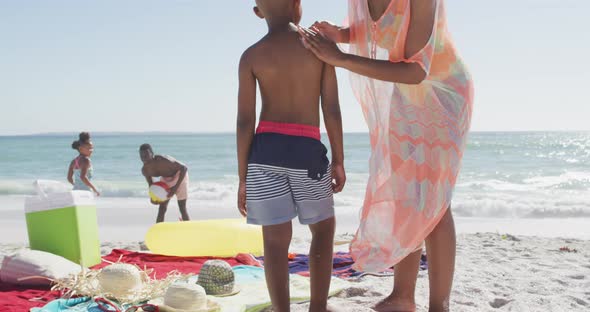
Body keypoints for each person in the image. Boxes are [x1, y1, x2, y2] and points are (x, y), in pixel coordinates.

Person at [298, 1, 474, 311]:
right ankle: (403, 296)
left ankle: (439, 305)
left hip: (441, 91)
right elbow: (381, 30)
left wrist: (340, 58)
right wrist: (341, 34)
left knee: (432, 198)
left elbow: (416, 70)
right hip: (406, 93)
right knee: (406, 194)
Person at [236, 1, 346, 311]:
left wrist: (243, 176)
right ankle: (318, 307)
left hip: (264, 153)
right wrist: (338, 158)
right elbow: (332, 108)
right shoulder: (318, 47)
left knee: (273, 241)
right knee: (323, 230)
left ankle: (281, 309)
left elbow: (245, 121)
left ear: (258, 12)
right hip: (306, 152)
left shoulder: (251, 56)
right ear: (298, 5)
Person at [139, 144, 190, 223]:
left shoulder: (162, 159)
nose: (144, 158)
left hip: (180, 175)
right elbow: (151, 185)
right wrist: (153, 198)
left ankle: (188, 230)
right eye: (141, 156)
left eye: (146, 155)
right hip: (165, 179)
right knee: (162, 208)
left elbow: (184, 168)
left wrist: (175, 188)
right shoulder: (145, 170)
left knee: (182, 207)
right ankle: (158, 232)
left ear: (152, 153)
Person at [67, 132, 100, 196]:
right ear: (81, 149)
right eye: (88, 148)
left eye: (92, 148)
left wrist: (76, 186)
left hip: (75, 191)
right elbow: (83, 177)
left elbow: (69, 178)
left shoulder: (73, 161)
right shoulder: (86, 160)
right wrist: (94, 189)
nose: (91, 150)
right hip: (85, 193)